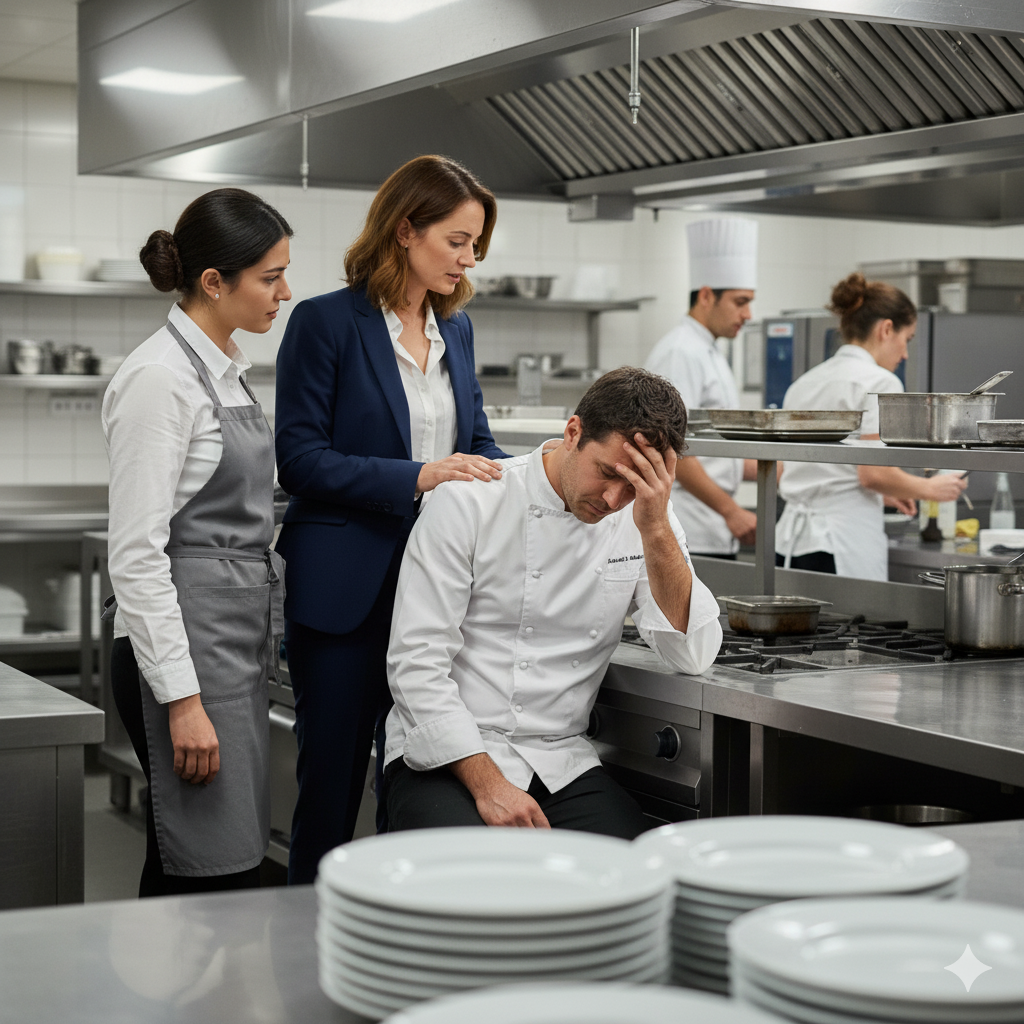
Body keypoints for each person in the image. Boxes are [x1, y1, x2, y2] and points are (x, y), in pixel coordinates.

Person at [274, 155, 508, 884]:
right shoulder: (325, 322)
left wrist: (538, 471)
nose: (469, 259)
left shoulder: (456, 331)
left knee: (413, 785)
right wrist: (418, 476)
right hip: (347, 595)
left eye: (476, 245)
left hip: (438, 594)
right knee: (332, 792)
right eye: (457, 240)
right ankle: (306, 947)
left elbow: (475, 443)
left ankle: (393, 937)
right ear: (405, 230)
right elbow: (300, 459)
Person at [383, 367, 723, 839]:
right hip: (450, 752)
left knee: (628, 872)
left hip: (559, 761)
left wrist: (656, 527)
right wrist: (488, 784)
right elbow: (415, 663)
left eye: (634, 485)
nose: (612, 498)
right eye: (607, 472)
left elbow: (693, 653)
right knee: (462, 876)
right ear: (573, 431)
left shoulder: (646, 516)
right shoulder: (469, 501)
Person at [103, 188, 293, 897]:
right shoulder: (160, 380)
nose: (284, 292)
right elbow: (135, 556)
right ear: (215, 282)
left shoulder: (223, 370)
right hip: (179, 658)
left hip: (227, 644)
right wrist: (182, 700)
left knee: (220, 855)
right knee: (200, 865)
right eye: (270, 277)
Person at [775, 272, 968, 581]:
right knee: (849, 629)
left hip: (790, 544)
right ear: (886, 329)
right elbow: (873, 473)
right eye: (907, 340)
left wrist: (885, 493)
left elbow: (791, 472)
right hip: (840, 543)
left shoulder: (803, 384)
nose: (905, 354)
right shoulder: (880, 381)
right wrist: (930, 489)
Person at [645, 218, 760, 558]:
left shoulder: (710, 351)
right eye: (740, 302)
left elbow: (713, 446)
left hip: (710, 527)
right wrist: (730, 510)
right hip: (688, 526)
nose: (749, 314)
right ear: (707, 295)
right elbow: (673, 447)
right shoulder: (681, 352)